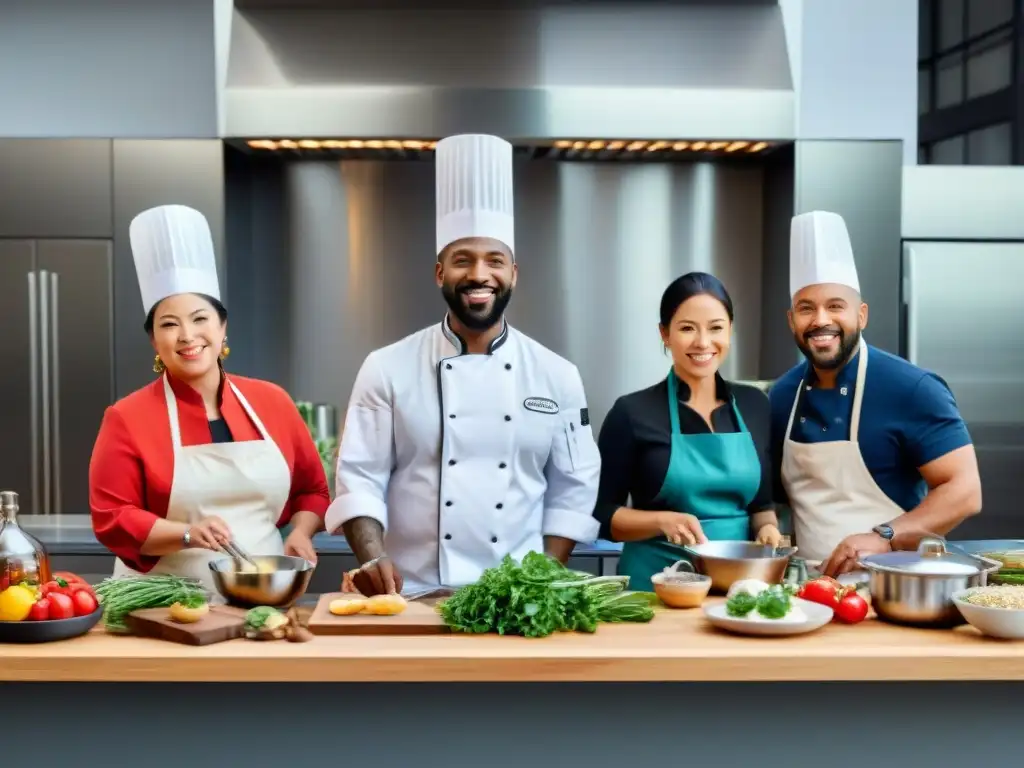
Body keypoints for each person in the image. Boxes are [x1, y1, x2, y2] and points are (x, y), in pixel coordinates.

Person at [326, 133, 601, 596]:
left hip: (518, 601)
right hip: (410, 595)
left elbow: (573, 489)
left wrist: (539, 582)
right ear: (439, 273)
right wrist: (373, 557)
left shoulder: (558, 376)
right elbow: (360, 478)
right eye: (462, 260)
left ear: (514, 273)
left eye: (495, 260)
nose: (478, 275)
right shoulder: (386, 368)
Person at [89, 204, 330, 592]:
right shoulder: (126, 417)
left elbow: (312, 490)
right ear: (154, 340)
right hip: (164, 604)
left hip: (262, 594)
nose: (187, 335)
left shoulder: (272, 402)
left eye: (200, 318)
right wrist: (186, 533)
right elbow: (112, 517)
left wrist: (302, 531)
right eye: (169, 324)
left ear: (222, 328)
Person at [769, 210, 982, 577]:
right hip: (809, 592)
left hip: (897, 586)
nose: (821, 320)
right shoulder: (781, 395)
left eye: (836, 306)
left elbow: (965, 490)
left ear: (862, 315)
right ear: (792, 320)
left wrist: (886, 535)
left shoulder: (912, 389)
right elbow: (773, 498)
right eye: (807, 308)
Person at [593, 272, 782, 592]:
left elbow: (761, 505)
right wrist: (662, 521)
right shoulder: (631, 413)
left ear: (731, 331)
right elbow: (602, 516)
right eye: (687, 328)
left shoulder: (755, 406)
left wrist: (768, 531)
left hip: (738, 589)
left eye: (716, 328)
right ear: (664, 334)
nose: (703, 342)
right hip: (656, 587)